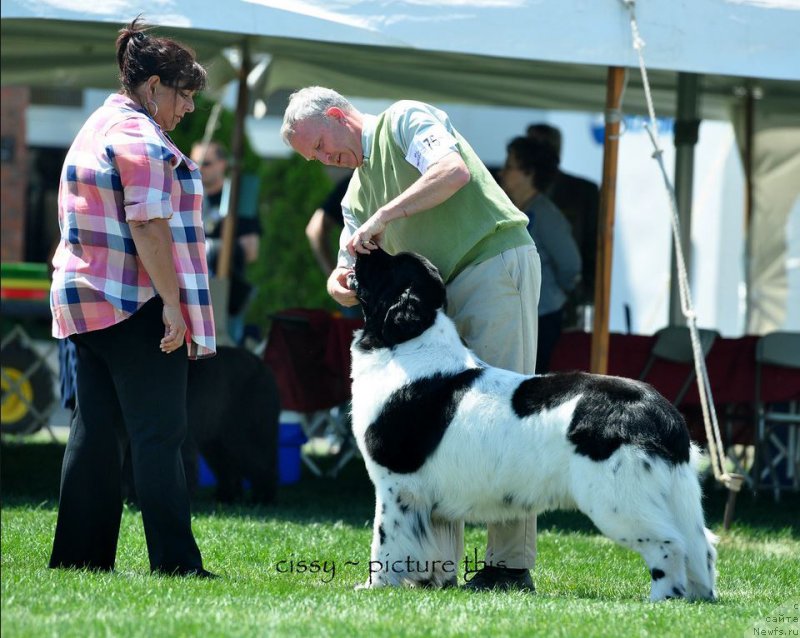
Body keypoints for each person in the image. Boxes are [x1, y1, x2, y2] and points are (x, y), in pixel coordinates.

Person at [281, 87, 541, 591]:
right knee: (433, 431)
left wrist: (385, 216)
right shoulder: (356, 193)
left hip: (491, 265)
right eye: (312, 157)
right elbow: (343, 274)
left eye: (319, 146)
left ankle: (510, 566)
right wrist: (340, 283)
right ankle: (431, 569)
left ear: (337, 115)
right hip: (435, 302)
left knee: (503, 418)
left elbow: (452, 171)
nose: (322, 160)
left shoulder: (404, 120)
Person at [48, 17, 216, 578]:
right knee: (159, 434)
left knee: (95, 431)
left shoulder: (96, 124)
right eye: (185, 94)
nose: (188, 107)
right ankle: (177, 565)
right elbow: (148, 224)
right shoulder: (140, 137)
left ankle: (78, 559)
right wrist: (172, 303)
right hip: (132, 300)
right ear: (153, 88)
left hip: (84, 298)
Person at [501, 137, 581, 373]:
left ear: (528, 173)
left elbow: (570, 264)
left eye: (509, 166)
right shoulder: (519, 210)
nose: (502, 173)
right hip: (526, 315)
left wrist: (556, 294)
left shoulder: (546, 215)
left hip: (543, 316)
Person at [527, 123, 599, 328]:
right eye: (533, 144)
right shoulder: (510, 189)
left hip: (566, 301)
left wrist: (583, 293)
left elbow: (593, 246)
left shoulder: (584, 191)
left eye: (545, 144)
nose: (540, 150)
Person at [190, 140, 261, 345]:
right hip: (190, 289)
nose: (199, 168)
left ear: (222, 164)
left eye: (206, 163)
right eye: (194, 163)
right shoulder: (187, 194)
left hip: (225, 293)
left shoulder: (239, 196)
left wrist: (214, 248)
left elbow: (251, 250)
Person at [305, 174, 352, 276]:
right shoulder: (353, 184)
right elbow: (315, 229)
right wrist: (334, 276)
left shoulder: (352, 183)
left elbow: (314, 229)